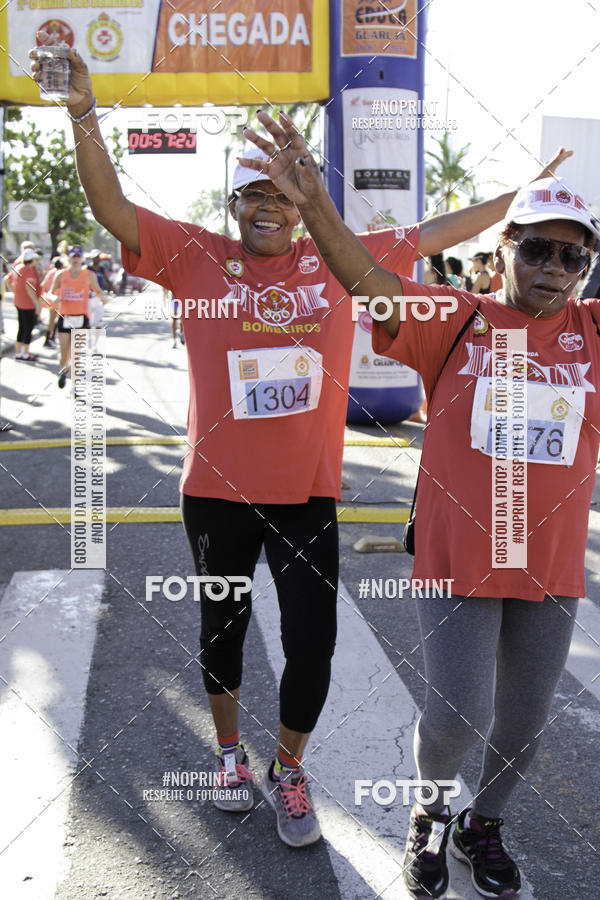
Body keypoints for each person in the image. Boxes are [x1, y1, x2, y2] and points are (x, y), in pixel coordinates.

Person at [30, 47, 571, 850]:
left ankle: (288, 768)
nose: (270, 210)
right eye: (254, 195)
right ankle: (226, 756)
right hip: (215, 489)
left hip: (309, 493)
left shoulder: (335, 257)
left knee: (312, 640)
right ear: (234, 204)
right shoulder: (195, 257)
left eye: (283, 195)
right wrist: (83, 113)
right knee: (223, 626)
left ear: (300, 201)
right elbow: (112, 208)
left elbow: (444, 231)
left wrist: (528, 195)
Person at [241, 113, 599, 897]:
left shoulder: (592, 330)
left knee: (524, 728)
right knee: (456, 718)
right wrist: (319, 207)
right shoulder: (457, 317)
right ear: (502, 247)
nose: (552, 267)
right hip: (457, 556)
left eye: (572, 254)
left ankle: (484, 824)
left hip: (547, 564)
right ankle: (432, 815)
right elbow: (364, 279)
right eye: (536, 246)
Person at [49, 244, 103, 388]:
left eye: (79, 256)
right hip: (65, 317)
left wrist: (103, 298)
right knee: (64, 353)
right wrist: (53, 297)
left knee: (77, 354)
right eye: (74, 256)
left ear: (82, 258)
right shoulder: (61, 274)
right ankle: (63, 371)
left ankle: (76, 385)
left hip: (81, 317)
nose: (76, 259)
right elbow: (50, 291)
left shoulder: (89, 275)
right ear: (70, 258)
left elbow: (98, 290)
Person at [8, 247, 42, 360]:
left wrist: (15, 292)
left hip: (18, 301)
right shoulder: (28, 270)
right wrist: (36, 303)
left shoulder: (18, 267)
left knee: (22, 327)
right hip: (27, 303)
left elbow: (8, 279)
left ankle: (18, 352)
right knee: (28, 327)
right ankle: (25, 353)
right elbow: (29, 287)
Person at [41, 256, 64, 347]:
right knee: (56, 319)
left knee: (51, 319)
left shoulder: (50, 273)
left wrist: (42, 296)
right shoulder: (62, 273)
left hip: (50, 300)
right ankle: (51, 337)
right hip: (58, 300)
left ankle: (48, 338)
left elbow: (43, 284)